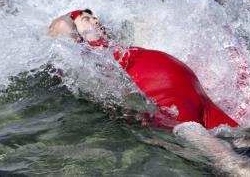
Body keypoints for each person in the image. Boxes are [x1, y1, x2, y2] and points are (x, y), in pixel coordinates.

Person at [48, 9, 239, 130]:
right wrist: (74, 15)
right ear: (76, 34)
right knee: (230, 160)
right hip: (172, 106)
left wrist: (82, 18)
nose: (96, 20)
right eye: (87, 19)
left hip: (199, 96)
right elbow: (60, 27)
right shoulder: (90, 55)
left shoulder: (115, 48)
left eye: (95, 17)